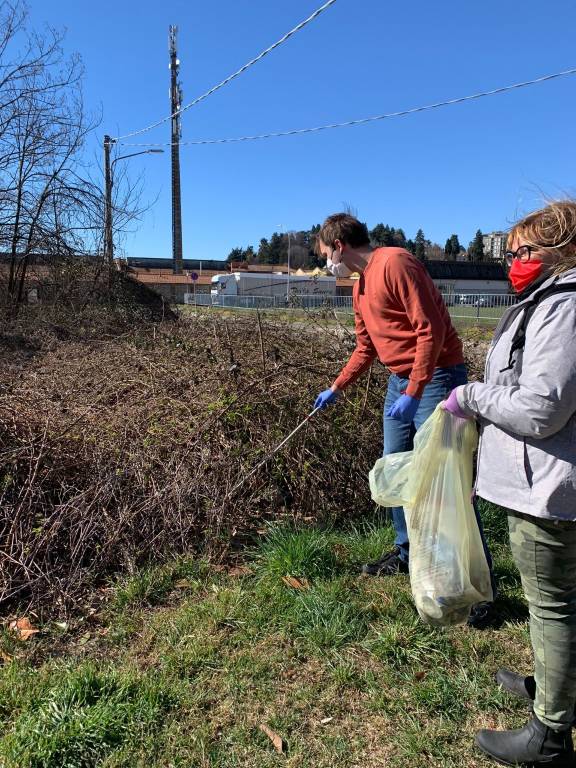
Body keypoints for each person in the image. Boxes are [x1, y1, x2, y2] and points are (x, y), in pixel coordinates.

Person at [313, 212, 495, 628]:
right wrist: (337, 387)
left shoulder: (395, 262)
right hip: (401, 382)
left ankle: (477, 584)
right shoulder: (359, 287)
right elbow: (365, 348)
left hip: (437, 377)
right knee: (395, 468)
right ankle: (408, 554)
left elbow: (429, 330)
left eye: (325, 255)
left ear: (339, 245)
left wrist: (416, 391)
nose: (327, 264)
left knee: (447, 479)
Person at [443, 201, 576, 766]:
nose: (512, 263)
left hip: (547, 487)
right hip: (541, 479)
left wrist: (471, 395)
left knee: (553, 605)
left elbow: (542, 409)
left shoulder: (564, 307)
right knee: (559, 601)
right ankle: (553, 687)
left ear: (556, 252)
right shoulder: (549, 300)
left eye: (520, 252)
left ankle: (549, 735)